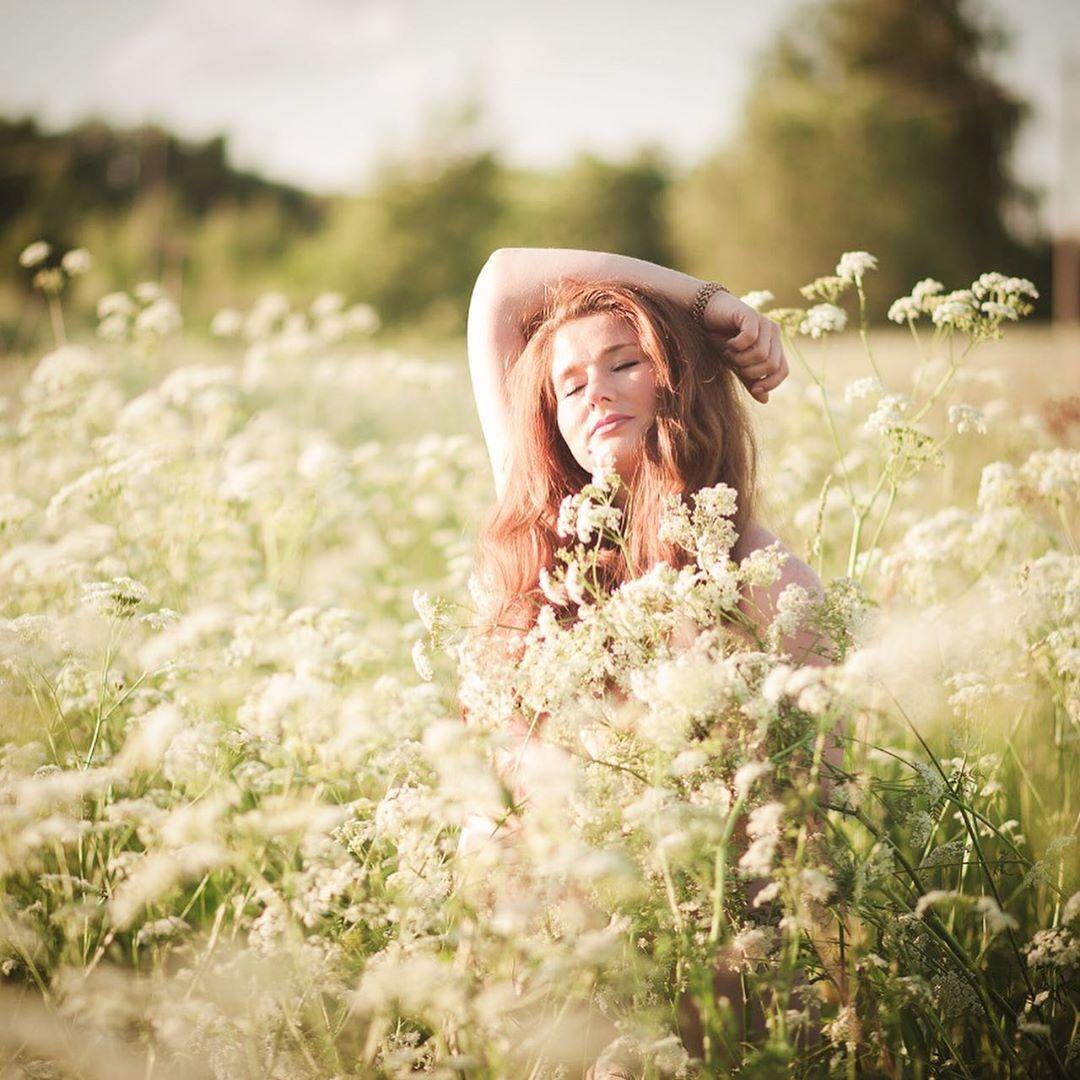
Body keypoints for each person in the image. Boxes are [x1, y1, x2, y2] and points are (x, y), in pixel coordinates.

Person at [462, 248, 842, 1077]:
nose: (594, 392)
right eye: (568, 385)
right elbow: (501, 283)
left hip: (697, 983)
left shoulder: (766, 581)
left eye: (625, 363)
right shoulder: (538, 539)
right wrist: (710, 298)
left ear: (684, 383)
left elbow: (804, 835)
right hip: (540, 985)